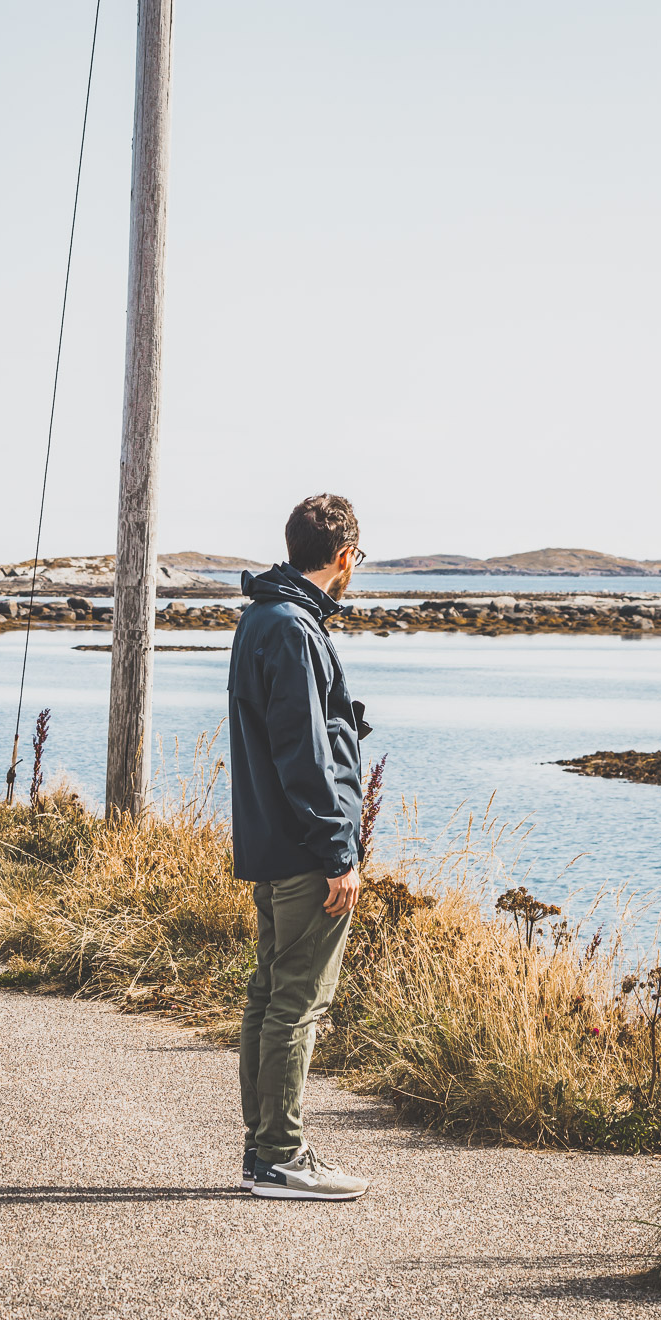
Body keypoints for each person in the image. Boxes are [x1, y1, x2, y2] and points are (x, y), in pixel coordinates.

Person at [228, 493, 371, 1201]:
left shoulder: (263, 615)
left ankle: (264, 1153)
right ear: (344, 556)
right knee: (295, 1004)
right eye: (358, 559)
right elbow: (306, 754)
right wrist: (338, 851)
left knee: (268, 996)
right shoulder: (292, 627)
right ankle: (282, 1157)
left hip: (271, 844)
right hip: (302, 850)